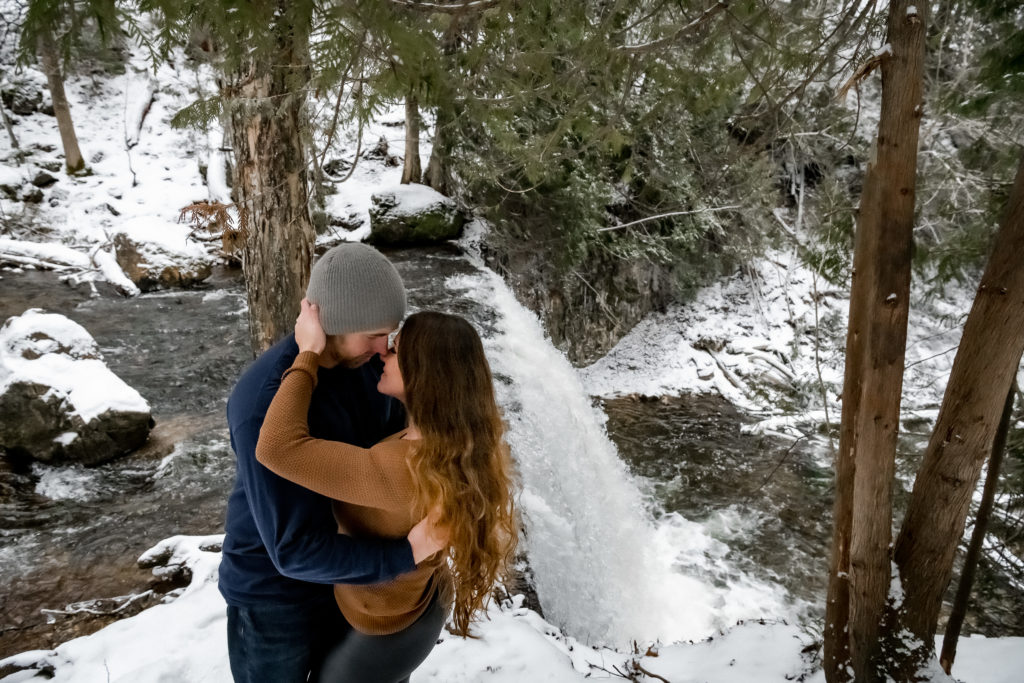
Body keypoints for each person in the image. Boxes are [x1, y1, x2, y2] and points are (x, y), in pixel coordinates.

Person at [255, 300, 518, 683]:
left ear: (423, 376)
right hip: (419, 603)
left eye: (395, 350)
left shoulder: (401, 470)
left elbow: (277, 447)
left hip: (386, 631)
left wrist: (307, 353)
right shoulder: (461, 441)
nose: (383, 354)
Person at [219, 243, 444, 683]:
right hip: (274, 597)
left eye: (391, 333)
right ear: (335, 324)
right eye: (376, 333)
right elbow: (292, 550)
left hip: (351, 581)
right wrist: (408, 553)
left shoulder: (368, 369)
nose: (386, 347)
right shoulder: (262, 401)